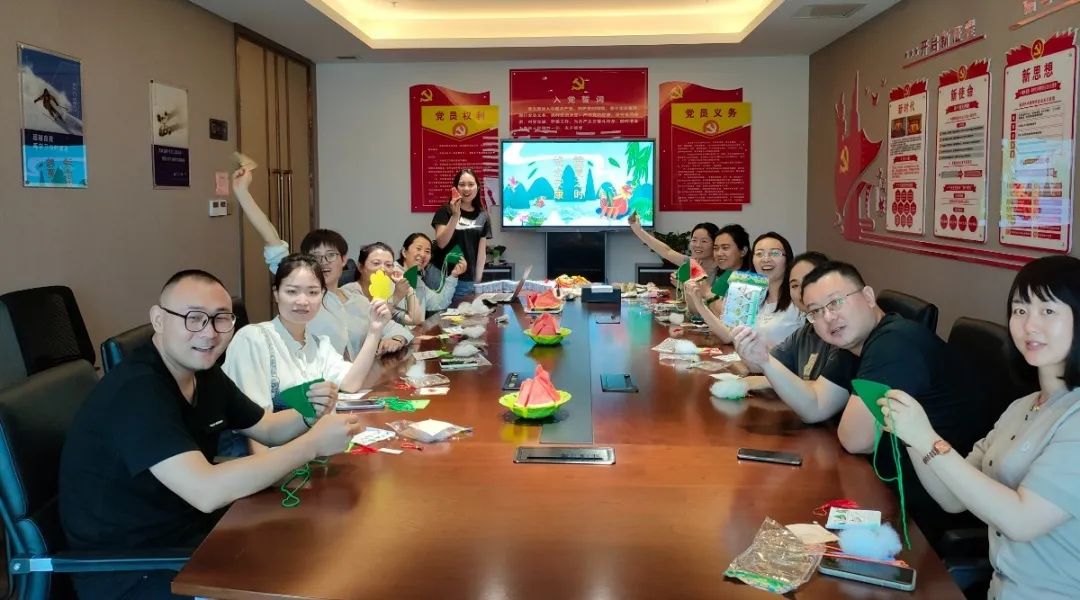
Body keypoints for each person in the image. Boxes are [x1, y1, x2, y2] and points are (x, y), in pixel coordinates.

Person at [58, 270, 364, 599]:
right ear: (159, 320)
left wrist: (308, 413)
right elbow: (205, 490)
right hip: (134, 568)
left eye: (221, 319)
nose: (209, 333)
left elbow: (266, 427)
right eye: (194, 318)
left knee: (323, 548)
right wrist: (312, 444)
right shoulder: (137, 391)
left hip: (193, 533)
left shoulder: (203, 373)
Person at [880, 256, 1080, 599]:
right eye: (1020, 310)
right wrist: (911, 436)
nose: (1029, 325)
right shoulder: (1023, 406)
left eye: (1048, 311)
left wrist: (925, 436)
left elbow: (1022, 521)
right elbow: (952, 498)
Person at [798, 260, 980, 547]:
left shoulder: (895, 343)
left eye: (835, 302)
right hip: (889, 484)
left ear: (868, 297)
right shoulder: (854, 342)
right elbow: (817, 405)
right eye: (815, 312)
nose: (828, 317)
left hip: (926, 507)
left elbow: (856, 440)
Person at [231, 161, 414, 358]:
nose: (324, 262)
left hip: (356, 375)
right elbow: (272, 239)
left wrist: (396, 339)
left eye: (331, 255)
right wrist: (242, 193)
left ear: (343, 259)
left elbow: (393, 328)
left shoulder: (356, 300)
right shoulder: (305, 296)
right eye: (315, 257)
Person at [222, 254, 392, 455]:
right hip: (261, 460)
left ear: (322, 295)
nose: (303, 301)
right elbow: (255, 430)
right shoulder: (253, 339)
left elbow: (351, 383)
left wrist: (375, 330)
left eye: (312, 292)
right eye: (292, 291)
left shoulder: (319, 344)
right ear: (276, 294)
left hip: (305, 452)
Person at [732, 251, 858, 423]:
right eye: (794, 285)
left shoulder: (843, 337)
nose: (802, 292)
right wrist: (749, 348)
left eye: (808, 282)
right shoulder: (804, 333)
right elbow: (765, 365)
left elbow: (819, 400)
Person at [684, 231, 803, 347]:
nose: (766, 259)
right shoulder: (748, 293)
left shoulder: (799, 300)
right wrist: (699, 303)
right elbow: (729, 336)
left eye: (775, 253)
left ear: (787, 259)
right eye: (759, 254)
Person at [431, 168, 492, 303]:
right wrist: (455, 215)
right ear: (456, 188)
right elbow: (441, 242)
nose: (466, 189)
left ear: (477, 187)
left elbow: (481, 253)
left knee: (462, 314)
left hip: (466, 280)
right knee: (438, 313)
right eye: (462, 184)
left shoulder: (483, 216)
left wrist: (477, 282)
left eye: (471, 184)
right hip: (441, 276)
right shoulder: (445, 211)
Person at [628, 213, 720, 285]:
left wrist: (683, 286)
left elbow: (713, 300)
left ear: (715, 244)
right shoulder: (691, 262)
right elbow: (667, 251)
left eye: (704, 241)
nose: (697, 245)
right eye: (694, 240)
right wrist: (638, 230)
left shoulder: (722, 268)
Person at [396, 232, 468, 323]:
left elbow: (439, 303)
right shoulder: (392, 275)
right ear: (404, 252)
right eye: (418, 249)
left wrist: (454, 276)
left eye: (427, 251)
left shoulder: (418, 281)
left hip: (417, 330)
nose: (423, 254)